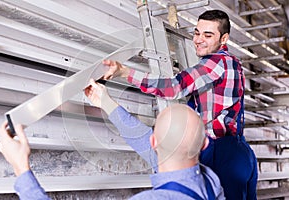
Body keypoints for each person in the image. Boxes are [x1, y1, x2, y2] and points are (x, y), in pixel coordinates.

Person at [101, 9, 257, 200]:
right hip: (241, 153)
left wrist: (125, 73)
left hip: (220, 153)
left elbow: (173, 87)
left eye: (208, 35)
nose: (199, 39)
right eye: (197, 32)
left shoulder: (214, 63)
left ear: (223, 39)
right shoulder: (233, 62)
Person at [0, 79, 225, 200]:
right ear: (204, 144)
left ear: (155, 143)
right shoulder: (211, 184)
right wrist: (106, 103)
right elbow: (152, 143)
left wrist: (21, 168)